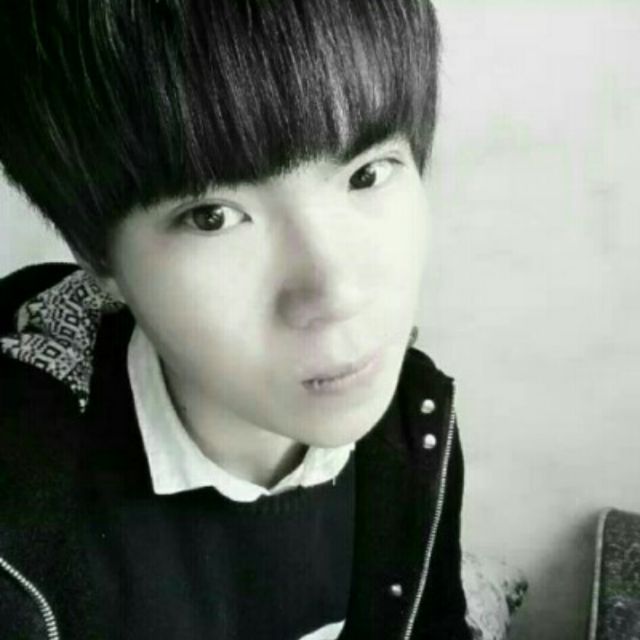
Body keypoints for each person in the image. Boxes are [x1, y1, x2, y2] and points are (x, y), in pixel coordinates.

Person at [0, 1, 471, 638]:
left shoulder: (417, 421)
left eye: (367, 174)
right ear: (98, 258)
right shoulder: (22, 513)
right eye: (213, 217)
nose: (336, 292)